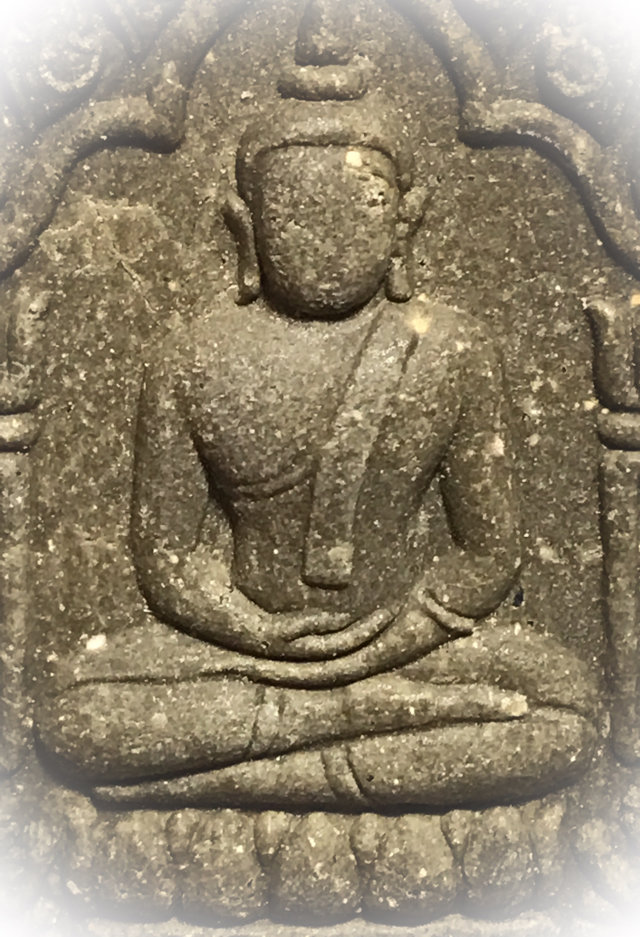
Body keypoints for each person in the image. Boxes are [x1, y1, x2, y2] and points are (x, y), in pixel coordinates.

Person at [34, 22, 598, 813]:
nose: (327, 235)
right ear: (245, 224)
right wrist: (253, 632)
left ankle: (240, 768)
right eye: (298, 209)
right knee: (73, 712)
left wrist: (388, 644)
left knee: (565, 709)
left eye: (358, 208)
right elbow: (167, 555)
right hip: (242, 654)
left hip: (405, 647)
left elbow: (487, 551)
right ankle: (349, 738)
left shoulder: (451, 349)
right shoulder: (190, 356)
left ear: (406, 223)